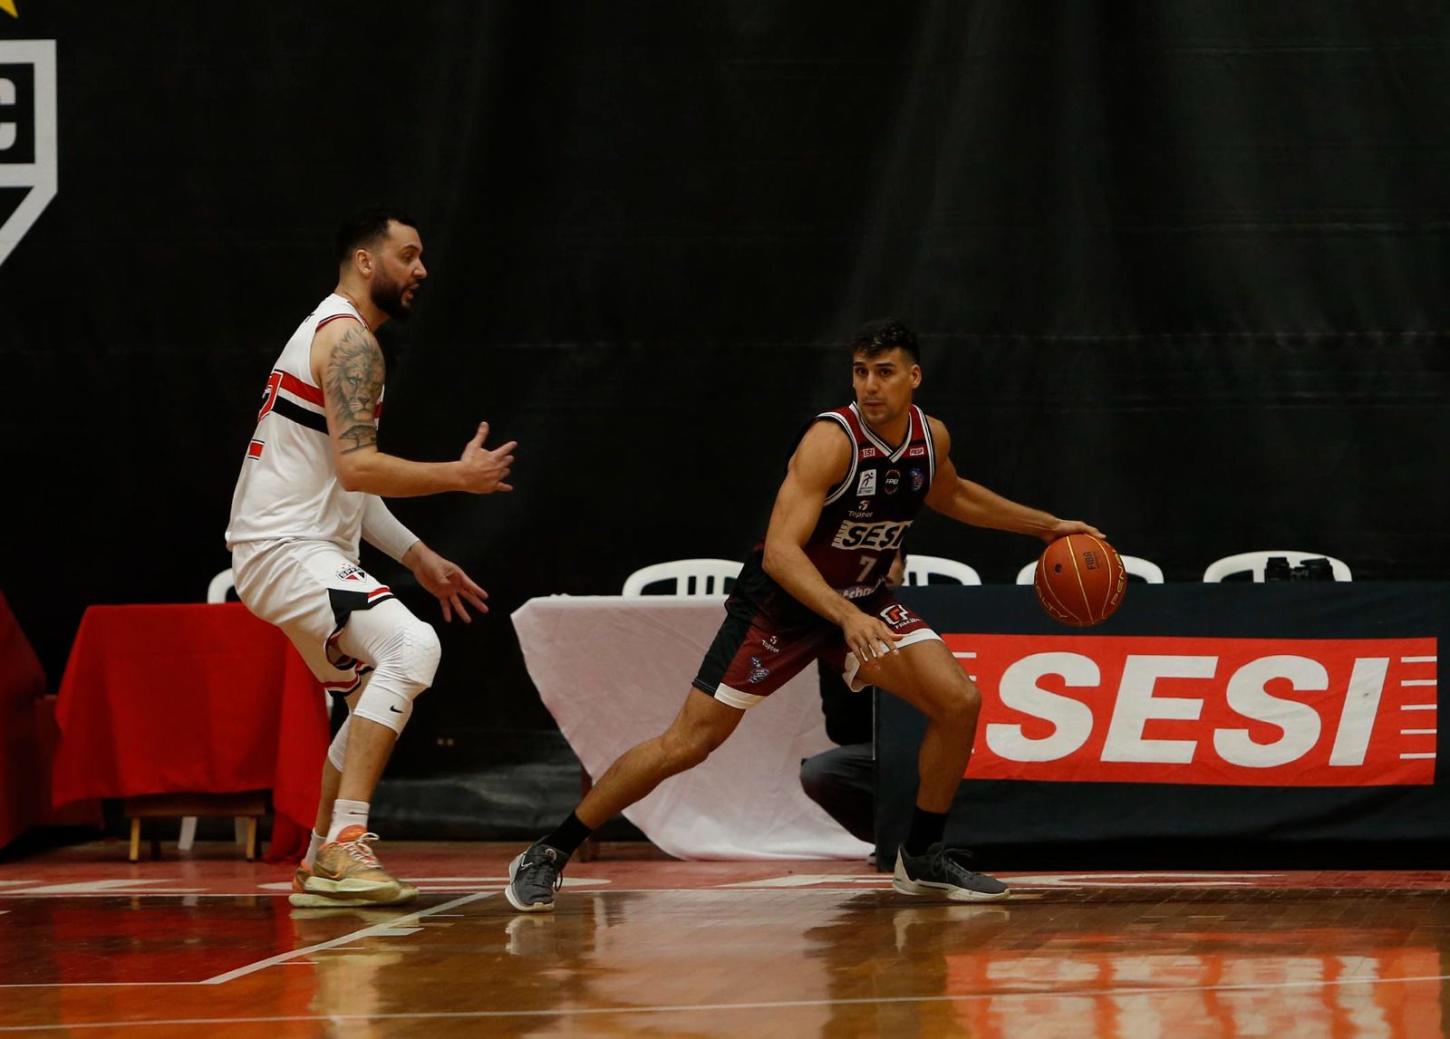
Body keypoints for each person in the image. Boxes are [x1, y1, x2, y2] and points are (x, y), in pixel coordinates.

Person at [506, 318, 1100, 910]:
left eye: (885, 372)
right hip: (781, 608)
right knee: (688, 743)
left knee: (958, 701)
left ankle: (920, 856)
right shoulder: (831, 440)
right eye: (861, 372)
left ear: (913, 377)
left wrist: (1047, 526)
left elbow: (952, 494)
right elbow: (783, 553)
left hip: (863, 600)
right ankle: (550, 850)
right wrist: (844, 616)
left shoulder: (929, 437)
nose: (870, 385)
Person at [225, 207, 517, 908]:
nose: (421, 270)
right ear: (365, 261)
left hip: (282, 548)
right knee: (413, 648)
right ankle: (347, 843)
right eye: (407, 256)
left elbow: (343, 480)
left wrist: (417, 555)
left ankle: (319, 858)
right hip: (286, 547)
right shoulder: (351, 343)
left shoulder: (330, 332)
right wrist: (458, 475)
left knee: (366, 697)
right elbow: (360, 470)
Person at [797, 552, 907, 848]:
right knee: (820, 773)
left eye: (888, 556)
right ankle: (897, 845)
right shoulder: (836, 628)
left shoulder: (936, 615)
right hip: (886, 750)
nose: (874, 563)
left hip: (950, 744)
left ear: (904, 570)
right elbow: (842, 730)